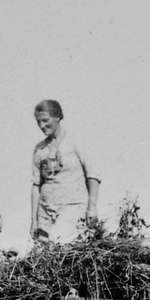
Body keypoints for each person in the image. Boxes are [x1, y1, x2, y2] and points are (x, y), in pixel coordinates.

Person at [30, 99, 100, 243]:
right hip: (46, 212)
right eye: (38, 122)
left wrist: (92, 208)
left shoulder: (76, 142)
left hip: (73, 206)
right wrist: (34, 220)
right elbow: (36, 185)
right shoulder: (40, 149)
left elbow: (93, 174)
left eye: (45, 120)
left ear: (58, 117)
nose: (42, 126)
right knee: (45, 255)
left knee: (61, 242)